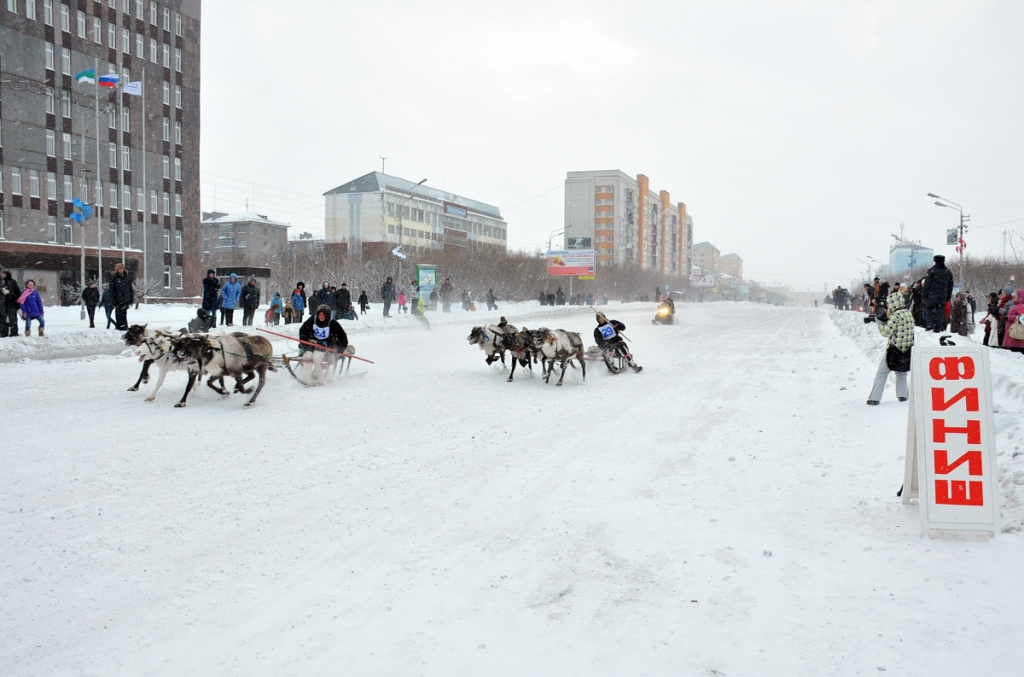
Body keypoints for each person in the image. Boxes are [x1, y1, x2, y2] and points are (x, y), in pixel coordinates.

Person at [866, 290, 914, 405]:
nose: (888, 305)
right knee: (901, 373)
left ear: (893, 303)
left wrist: (880, 323)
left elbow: (886, 332)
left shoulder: (895, 315)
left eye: (889, 303)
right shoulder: (908, 313)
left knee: (882, 373)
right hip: (906, 350)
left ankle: (874, 398)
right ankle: (902, 395)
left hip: (893, 350)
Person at [921, 255, 954, 332]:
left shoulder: (931, 271)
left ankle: (930, 324)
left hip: (931, 295)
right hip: (942, 296)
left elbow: (927, 285)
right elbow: (950, 285)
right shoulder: (948, 272)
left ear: (935, 261)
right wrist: (948, 297)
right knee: (940, 310)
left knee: (928, 308)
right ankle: (939, 327)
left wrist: (924, 295)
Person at [109, 262, 133, 330]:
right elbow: (112, 291)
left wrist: (130, 299)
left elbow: (130, 289)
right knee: (118, 314)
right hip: (117, 300)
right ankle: (119, 326)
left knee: (124, 314)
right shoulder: (114, 278)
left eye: (122, 269)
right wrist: (113, 301)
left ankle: (124, 326)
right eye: (120, 269)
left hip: (125, 300)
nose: (121, 270)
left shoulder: (126, 278)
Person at [1002, 289, 1024, 353]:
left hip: (1016, 337)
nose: (1013, 298)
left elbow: (1022, 318)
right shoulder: (1016, 306)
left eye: (1015, 297)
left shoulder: (1022, 306)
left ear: (1020, 297)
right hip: (1012, 334)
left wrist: (1009, 317)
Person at [1, 271, 21, 337]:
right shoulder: (1, 282)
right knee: (2, 320)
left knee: (13, 319)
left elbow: (18, 292)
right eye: (2, 274)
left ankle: (14, 333)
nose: (3, 275)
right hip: (2, 304)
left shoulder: (13, 282)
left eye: (4, 274)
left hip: (11, 304)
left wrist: (15, 299)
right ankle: (3, 333)